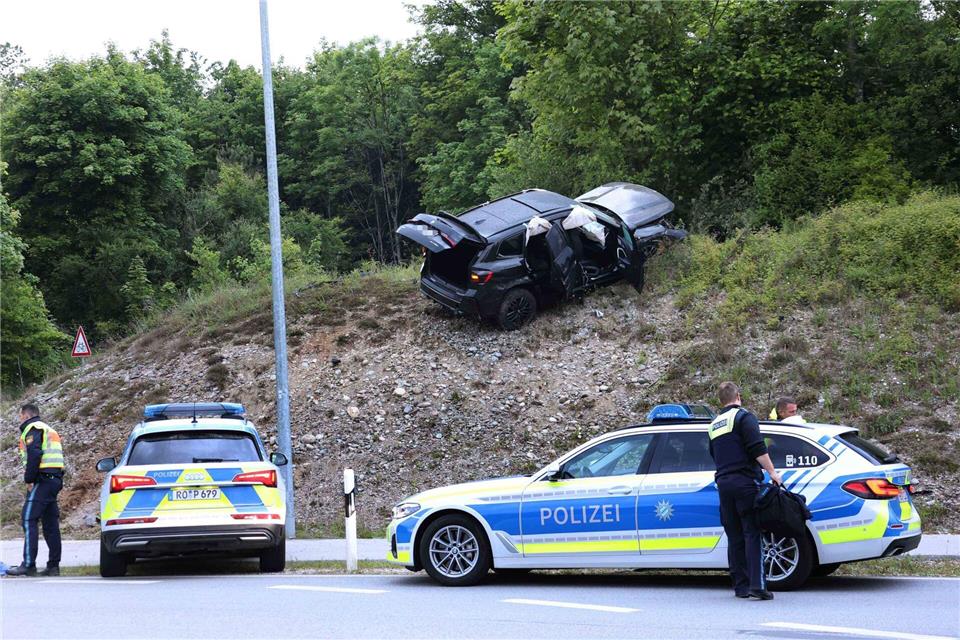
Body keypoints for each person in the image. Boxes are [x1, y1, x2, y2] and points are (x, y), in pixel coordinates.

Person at [708, 382, 782, 600]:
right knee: (751, 532)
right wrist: (772, 473)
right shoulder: (743, 417)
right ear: (738, 396)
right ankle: (757, 586)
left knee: (734, 535)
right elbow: (757, 448)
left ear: (720, 401)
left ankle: (740, 587)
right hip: (745, 482)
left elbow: (714, 454)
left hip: (724, 484)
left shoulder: (714, 425)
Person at [6, 403, 64, 577]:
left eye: (19, 415)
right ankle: (53, 566)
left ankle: (29, 564)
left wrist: (29, 479)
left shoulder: (33, 428)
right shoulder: (48, 429)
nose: (19, 418)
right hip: (54, 479)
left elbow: (35, 453)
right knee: (50, 524)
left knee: (28, 518)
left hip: (43, 480)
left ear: (25, 415)